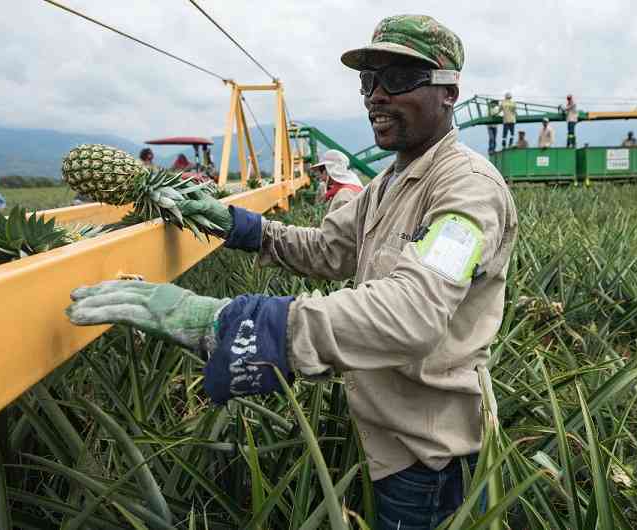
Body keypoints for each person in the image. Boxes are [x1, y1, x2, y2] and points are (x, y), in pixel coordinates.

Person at [65, 14, 518, 530]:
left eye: (397, 79)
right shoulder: (388, 183)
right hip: (385, 432)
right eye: (368, 81)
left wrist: (241, 323)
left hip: (430, 454)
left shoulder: (467, 191)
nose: (376, 95)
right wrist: (240, 226)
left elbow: (412, 313)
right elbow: (329, 249)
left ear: (449, 92)